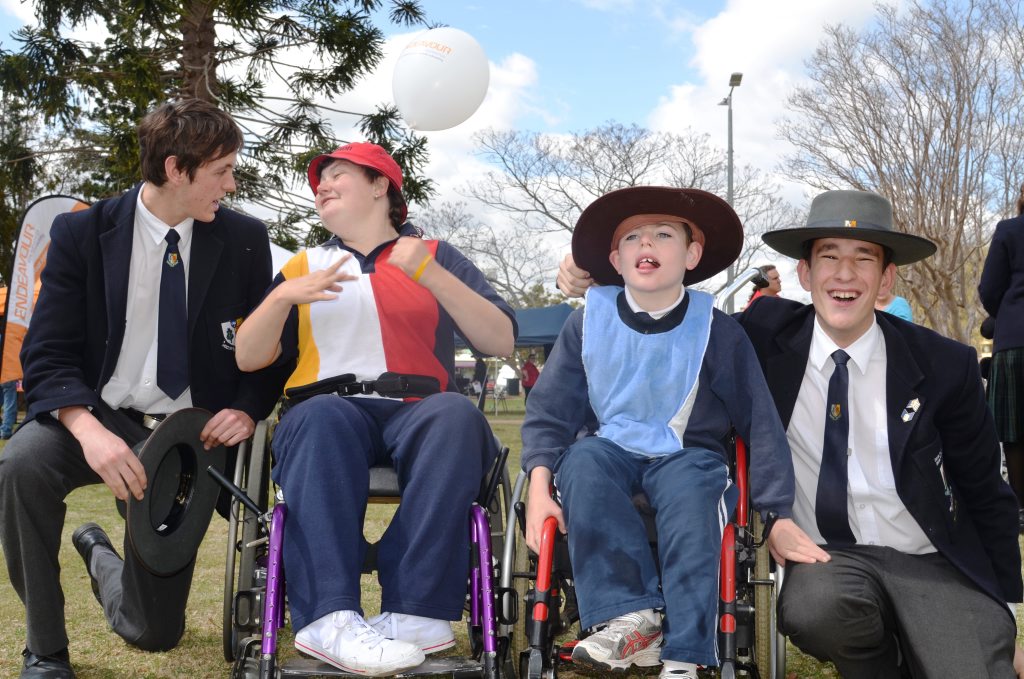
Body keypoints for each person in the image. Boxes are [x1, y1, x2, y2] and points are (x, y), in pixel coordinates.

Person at [557, 189, 1024, 677]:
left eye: (863, 259)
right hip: (828, 559)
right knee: (815, 610)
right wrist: (590, 270)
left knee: (972, 667)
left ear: (886, 278)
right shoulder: (759, 333)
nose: (845, 275)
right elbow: (669, 318)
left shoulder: (946, 363)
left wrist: (1005, 615)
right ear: (804, 273)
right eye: (829, 257)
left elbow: (986, 491)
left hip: (930, 559)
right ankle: (882, 662)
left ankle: (937, 645)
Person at [0, 99, 288, 679]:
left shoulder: (247, 239)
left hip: (190, 436)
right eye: (222, 171)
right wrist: (87, 431)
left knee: (152, 634)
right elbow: (46, 352)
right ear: (177, 168)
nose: (231, 185)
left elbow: (273, 350)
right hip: (99, 417)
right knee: (20, 464)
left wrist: (247, 407)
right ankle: (45, 649)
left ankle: (99, 553)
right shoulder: (81, 233)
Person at [234, 142, 516, 676]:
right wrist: (280, 299)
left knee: (457, 416)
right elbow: (250, 358)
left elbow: (500, 340)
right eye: (319, 182)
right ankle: (328, 620)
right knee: (317, 419)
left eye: (337, 175)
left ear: (381, 185)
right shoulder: (302, 264)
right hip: (329, 405)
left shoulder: (437, 254)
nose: (322, 186)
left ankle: (415, 612)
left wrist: (430, 274)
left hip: (419, 406)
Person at [522, 186, 805, 679]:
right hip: (608, 449)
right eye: (631, 236)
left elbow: (759, 420)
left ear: (692, 254)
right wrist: (540, 486)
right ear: (615, 257)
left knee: (693, 489)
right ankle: (632, 618)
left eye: (663, 234)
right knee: (584, 461)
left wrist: (775, 508)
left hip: (688, 456)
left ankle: (686, 654)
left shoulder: (717, 330)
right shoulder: (586, 323)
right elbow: (549, 416)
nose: (645, 243)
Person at [979, 184, 1024, 534]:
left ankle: (1021, 509)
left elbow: (990, 288)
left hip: (1017, 338)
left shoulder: (1010, 230)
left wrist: (1003, 316)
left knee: (1015, 430)